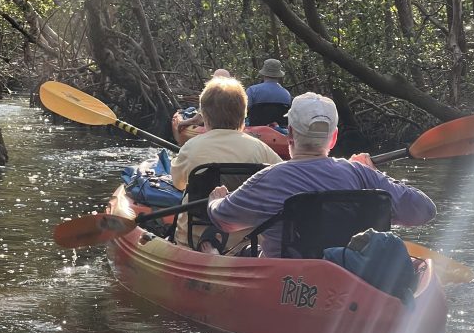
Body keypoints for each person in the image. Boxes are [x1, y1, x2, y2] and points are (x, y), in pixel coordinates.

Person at [207, 92, 436, 258]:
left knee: (239, 251)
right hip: (351, 278)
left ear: (291, 134)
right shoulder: (361, 175)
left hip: (289, 284)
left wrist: (215, 200)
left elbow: (224, 221)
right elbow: (424, 211)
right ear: (334, 138)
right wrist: (374, 172)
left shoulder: (269, 178)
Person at [170, 77, 282, 252]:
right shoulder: (261, 149)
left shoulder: (191, 147)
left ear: (204, 117)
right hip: (247, 243)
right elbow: (281, 184)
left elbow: (178, 183)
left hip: (193, 240)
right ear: (244, 116)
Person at [245, 59, 292, 126]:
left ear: (263, 74)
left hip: (255, 131)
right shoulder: (286, 94)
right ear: (278, 76)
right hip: (280, 133)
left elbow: (244, 112)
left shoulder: (252, 91)